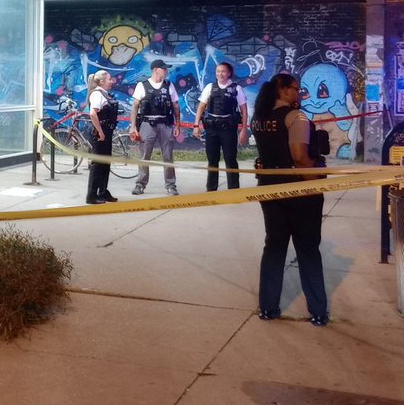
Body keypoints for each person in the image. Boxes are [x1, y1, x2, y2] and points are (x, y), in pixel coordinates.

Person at [250, 72, 329, 327]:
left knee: (274, 247)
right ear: (283, 90)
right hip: (299, 191)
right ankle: (317, 311)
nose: (299, 93)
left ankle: (267, 307)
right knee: (307, 249)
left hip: (269, 188)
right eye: (296, 89)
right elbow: (299, 157)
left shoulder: (259, 118)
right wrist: (316, 182)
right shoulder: (297, 117)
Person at [129, 59, 182, 196]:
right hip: (147, 124)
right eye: (163, 68)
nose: (166, 71)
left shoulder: (169, 86)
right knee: (144, 156)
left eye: (166, 69)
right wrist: (133, 127)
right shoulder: (142, 85)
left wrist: (178, 124)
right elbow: (135, 107)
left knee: (167, 156)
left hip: (165, 124)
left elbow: (176, 106)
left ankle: (171, 185)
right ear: (155, 70)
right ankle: (140, 184)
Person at [193, 62, 248, 191]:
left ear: (229, 73)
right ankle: (211, 190)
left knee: (230, 159)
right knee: (212, 160)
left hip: (228, 129)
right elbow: (201, 107)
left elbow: (244, 110)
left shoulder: (236, 89)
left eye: (223, 71)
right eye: (218, 71)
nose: (220, 74)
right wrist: (196, 125)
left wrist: (244, 129)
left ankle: (233, 190)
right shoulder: (210, 87)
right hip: (212, 129)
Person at [85, 69, 119, 205]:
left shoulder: (105, 94)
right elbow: (93, 114)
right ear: (101, 81)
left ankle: (103, 192)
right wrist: (100, 131)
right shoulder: (97, 95)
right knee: (97, 164)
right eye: (109, 79)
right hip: (100, 134)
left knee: (105, 163)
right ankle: (91, 195)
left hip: (106, 132)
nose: (112, 81)